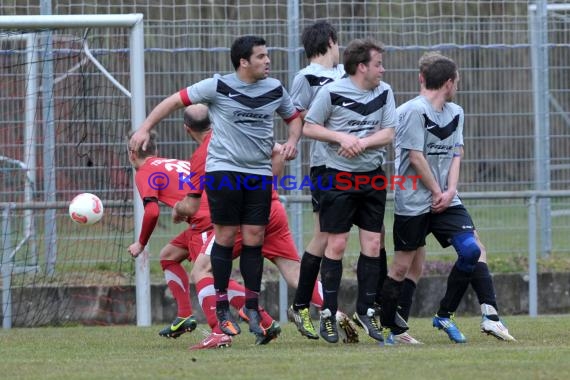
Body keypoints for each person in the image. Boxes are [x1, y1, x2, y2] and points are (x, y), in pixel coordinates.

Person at [130, 35, 303, 342]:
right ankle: (221, 307)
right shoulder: (217, 86)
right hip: (224, 172)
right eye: (261, 56)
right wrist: (144, 127)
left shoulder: (275, 88)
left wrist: (292, 141)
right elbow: (174, 101)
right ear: (243, 62)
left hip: (258, 174)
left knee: (254, 238)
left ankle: (252, 307)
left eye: (268, 55)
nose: (268, 61)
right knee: (223, 237)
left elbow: (293, 118)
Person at [175, 104, 359, 347]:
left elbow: (190, 206)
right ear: (215, 120)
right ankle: (333, 311)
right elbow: (279, 151)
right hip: (271, 208)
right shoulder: (240, 133)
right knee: (295, 274)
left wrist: (178, 209)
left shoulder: (203, 155)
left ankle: (219, 333)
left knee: (202, 270)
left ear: (187, 129)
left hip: (242, 219)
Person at [380, 51, 515, 343]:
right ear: (450, 82)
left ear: (423, 78)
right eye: (457, 81)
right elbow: (415, 157)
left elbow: (457, 153)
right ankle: (392, 327)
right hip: (414, 201)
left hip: (446, 199)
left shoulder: (456, 113)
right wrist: (437, 191)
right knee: (405, 266)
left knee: (472, 249)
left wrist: (450, 190)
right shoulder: (412, 111)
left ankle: (457, 315)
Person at [302, 38, 397, 344]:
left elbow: (390, 131)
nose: (382, 69)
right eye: (378, 64)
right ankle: (328, 314)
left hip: (372, 177)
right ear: (361, 67)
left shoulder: (385, 92)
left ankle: (366, 310)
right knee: (338, 244)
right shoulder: (332, 92)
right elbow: (309, 126)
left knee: (372, 243)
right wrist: (341, 137)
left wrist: (364, 143)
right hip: (338, 178)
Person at [286, 21, 354, 341]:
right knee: (326, 237)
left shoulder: (346, 75)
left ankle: (306, 305)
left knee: (333, 239)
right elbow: (297, 116)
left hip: (354, 166)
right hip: (326, 166)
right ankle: (313, 307)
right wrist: (292, 144)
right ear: (330, 41)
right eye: (337, 43)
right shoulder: (306, 76)